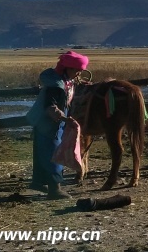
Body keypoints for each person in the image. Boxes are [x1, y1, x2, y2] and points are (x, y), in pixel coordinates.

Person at [25, 50, 88, 199]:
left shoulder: (65, 81)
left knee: (45, 153)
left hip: (53, 123)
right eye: (77, 71)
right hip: (48, 124)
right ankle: (55, 189)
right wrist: (66, 119)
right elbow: (50, 107)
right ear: (69, 69)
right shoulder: (55, 85)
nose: (78, 74)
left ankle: (39, 183)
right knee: (54, 153)